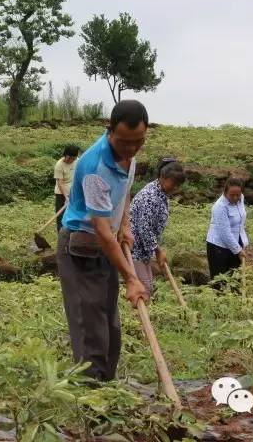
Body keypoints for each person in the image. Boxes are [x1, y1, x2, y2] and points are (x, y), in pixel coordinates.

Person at [57, 100, 149, 383]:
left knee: (111, 327)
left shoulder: (129, 156)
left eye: (138, 142)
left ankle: (106, 394)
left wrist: (125, 223)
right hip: (82, 248)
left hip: (105, 246)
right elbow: (101, 230)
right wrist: (132, 278)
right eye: (124, 142)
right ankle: (89, 406)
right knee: (91, 332)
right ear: (109, 131)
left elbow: (123, 193)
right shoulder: (96, 166)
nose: (131, 149)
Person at [129, 158, 186, 297]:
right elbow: (144, 228)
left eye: (178, 184)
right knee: (144, 289)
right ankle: (138, 317)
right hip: (135, 248)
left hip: (144, 249)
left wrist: (156, 250)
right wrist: (158, 251)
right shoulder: (150, 196)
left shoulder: (161, 193)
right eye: (173, 183)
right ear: (162, 177)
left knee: (148, 286)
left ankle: (144, 316)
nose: (176, 187)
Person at [205, 177, 250, 282]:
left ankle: (236, 298)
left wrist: (242, 243)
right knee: (220, 281)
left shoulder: (241, 198)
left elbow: (240, 221)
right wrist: (238, 250)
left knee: (235, 279)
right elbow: (224, 233)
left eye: (237, 195)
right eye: (232, 195)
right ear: (225, 192)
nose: (235, 198)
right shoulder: (220, 207)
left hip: (235, 242)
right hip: (218, 247)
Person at [53, 144, 80, 231]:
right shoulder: (59, 165)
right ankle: (61, 238)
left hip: (74, 192)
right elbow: (60, 183)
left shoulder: (78, 161)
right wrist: (66, 197)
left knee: (74, 215)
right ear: (65, 155)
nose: (71, 160)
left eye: (73, 158)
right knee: (61, 217)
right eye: (69, 158)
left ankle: (72, 235)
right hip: (61, 194)